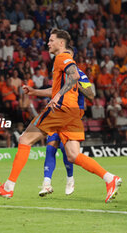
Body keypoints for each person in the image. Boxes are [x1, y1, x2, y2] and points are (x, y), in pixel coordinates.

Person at [0, 29, 121, 203]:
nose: (48, 43)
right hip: (73, 112)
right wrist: (36, 91)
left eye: (51, 40)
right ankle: (110, 179)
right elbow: (62, 86)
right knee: (73, 155)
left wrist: (58, 96)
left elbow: (73, 78)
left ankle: (8, 187)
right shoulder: (65, 62)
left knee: (25, 140)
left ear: (61, 43)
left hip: (61, 109)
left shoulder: (61, 57)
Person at [39, 47, 95, 197]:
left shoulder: (79, 74)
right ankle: (46, 183)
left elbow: (91, 94)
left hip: (72, 115)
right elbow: (52, 91)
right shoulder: (58, 75)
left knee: (66, 150)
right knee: (51, 147)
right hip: (57, 114)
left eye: (67, 55)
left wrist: (75, 84)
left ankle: (70, 179)